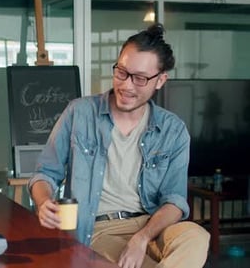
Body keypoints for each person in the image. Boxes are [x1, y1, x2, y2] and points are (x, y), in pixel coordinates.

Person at [29, 23, 210, 268]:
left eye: (140, 78)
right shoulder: (80, 113)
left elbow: (175, 201)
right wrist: (43, 202)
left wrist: (142, 238)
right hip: (98, 228)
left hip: (153, 226)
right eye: (121, 72)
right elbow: (45, 173)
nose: (126, 85)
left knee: (197, 237)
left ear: (160, 80)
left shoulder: (173, 130)